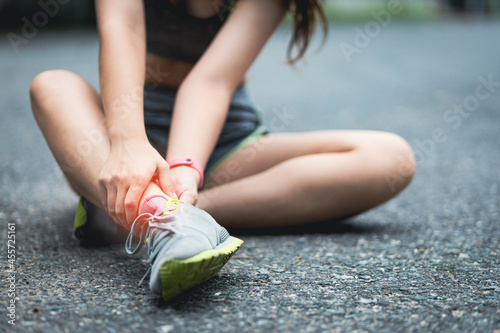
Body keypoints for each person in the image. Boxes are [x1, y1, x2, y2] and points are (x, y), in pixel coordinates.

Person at [29, 0, 415, 300]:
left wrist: (185, 170)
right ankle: (148, 207)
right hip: (126, 127)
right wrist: (128, 144)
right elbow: (122, 28)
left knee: (391, 158)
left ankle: (165, 216)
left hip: (222, 142)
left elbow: (210, 83)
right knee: (52, 87)